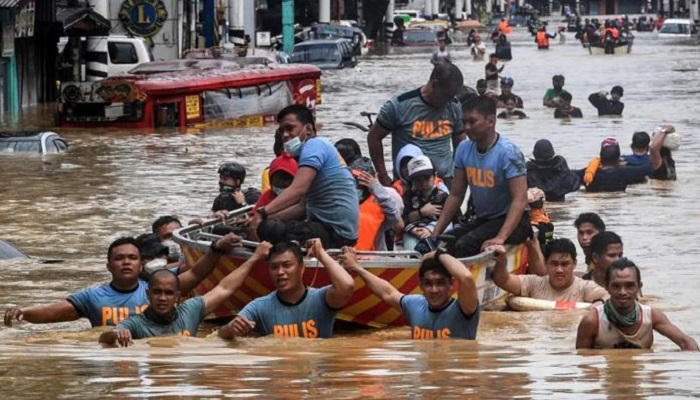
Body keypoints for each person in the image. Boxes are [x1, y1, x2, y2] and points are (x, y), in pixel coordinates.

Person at [3, 234, 242, 327]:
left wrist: (216, 248)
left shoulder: (159, 291)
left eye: (132, 258)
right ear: (109, 266)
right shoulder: (92, 297)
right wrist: (22, 312)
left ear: (140, 264)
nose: (126, 262)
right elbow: (53, 312)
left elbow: (198, 275)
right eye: (119, 258)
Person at [98, 243, 272, 346]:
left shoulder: (190, 310)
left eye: (168, 293)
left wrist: (254, 258)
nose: (162, 298)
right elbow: (103, 339)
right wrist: (113, 335)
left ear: (178, 296)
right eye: (157, 292)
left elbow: (224, 288)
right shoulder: (135, 323)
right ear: (148, 294)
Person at [433, 96, 531, 257]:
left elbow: (520, 200)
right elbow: (456, 194)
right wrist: (435, 233)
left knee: (465, 244)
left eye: (472, 122)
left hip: (515, 221)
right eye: (464, 122)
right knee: (445, 241)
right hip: (485, 220)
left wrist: (501, 237)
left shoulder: (508, 153)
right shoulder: (464, 149)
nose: (467, 127)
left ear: (491, 121)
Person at [250, 105, 359, 249]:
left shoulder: (314, 146)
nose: (285, 135)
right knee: (268, 224)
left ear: (308, 129)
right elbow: (302, 207)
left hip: (336, 234)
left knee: (270, 228)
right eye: (282, 130)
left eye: (290, 128)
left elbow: (298, 190)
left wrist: (262, 213)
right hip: (335, 231)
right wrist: (261, 219)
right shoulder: (313, 150)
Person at [218, 240, 354, 339]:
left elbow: (347, 285)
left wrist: (321, 254)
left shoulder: (321, 298)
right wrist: (231, 329)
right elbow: (220, 334)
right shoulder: (260, 306)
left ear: (301, 268)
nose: (280, 272)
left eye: (287, 265)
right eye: (274, 267)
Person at [345, 246, 479, 339]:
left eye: (440, 283)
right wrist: (356, 268)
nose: (434, 290)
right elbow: (388, 292)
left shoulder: (464, 308)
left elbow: (466, 278)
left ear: (451, 284)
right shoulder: (415, 304)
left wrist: (438, 254)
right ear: (420, 285)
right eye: (428, 283)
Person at [368, 62, 464, 188]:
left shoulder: (454, 106)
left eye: (453, 96)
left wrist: (457, 176)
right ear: (434, 85)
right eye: (447, 96)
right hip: (409, 184)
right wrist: (383, 176)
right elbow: (373, 138)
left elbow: (460, 142)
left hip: (444, 183)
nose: (450, 101)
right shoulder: (399, 105)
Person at [576, 259, 699, 351]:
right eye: (616, 286)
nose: (623, 292)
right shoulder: (592, 321)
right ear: (607, 287)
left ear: (639, 287)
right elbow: (583, 361)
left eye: (630, 286)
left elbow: (687, 342)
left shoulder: (652, 316)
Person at [491, 239, 609, 303]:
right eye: (554, 264)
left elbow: (607, 298)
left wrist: (598, 305)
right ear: (546, 264)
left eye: (565, 264)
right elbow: (503, 280)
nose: (559, 270)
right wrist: (501, 261)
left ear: (574, 264)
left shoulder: (585, 287)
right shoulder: (534, 283)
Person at [580, 135, 667, 192]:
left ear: (600, 156)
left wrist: (593, 164)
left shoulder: (586, 173)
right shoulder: (625, 172)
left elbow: (568, 177)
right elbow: (654, 166)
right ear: (618, 157)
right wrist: (663, 133)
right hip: (618, 203)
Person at [401, 156, 451, 252]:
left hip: (439, 231)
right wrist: (414, 230)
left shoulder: (443, 196)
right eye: (418, 180)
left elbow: (454, 218)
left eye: (427, 178)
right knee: (411, 252)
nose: (423, 183)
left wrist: (430, 229)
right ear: (411, 181)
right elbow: (403, 218)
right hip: (413, 231)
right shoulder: (408, 197)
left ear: (435, 176)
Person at [351, 157, 401, 251]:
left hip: (375, 258)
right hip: (349, 256)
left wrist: (376, 187)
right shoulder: (344, 201)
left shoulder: (381, 201)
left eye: (364, 180)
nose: (359, 184)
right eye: (356, 179)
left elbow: (394, 217)